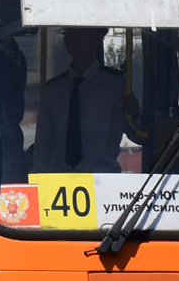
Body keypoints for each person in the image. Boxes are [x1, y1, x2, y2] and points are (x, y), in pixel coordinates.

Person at [31, 27, 131, 174]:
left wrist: (134, 113)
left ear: (97, 37)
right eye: (67, 32)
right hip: (58, 180)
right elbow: (42, 144)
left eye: (78, 31)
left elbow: (138, 132)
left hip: (101, 178)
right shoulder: (53, 89)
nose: (70, 37)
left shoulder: (115, 85)